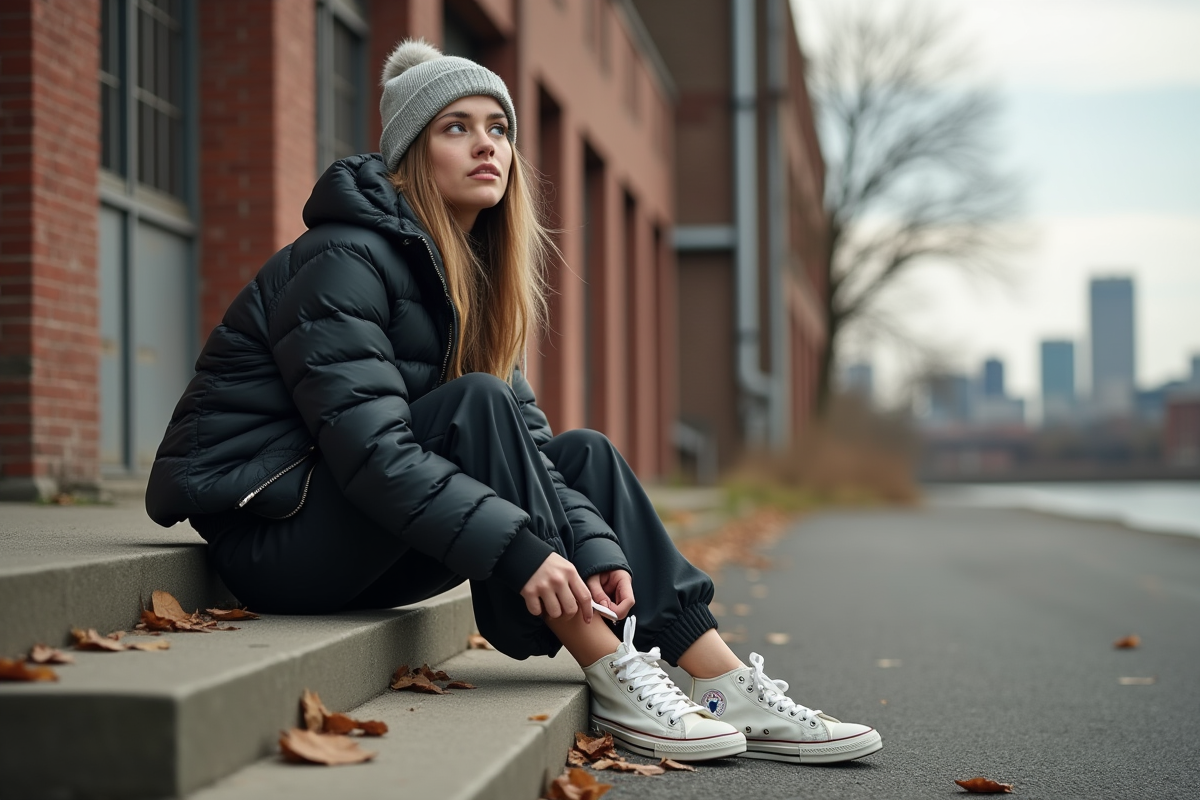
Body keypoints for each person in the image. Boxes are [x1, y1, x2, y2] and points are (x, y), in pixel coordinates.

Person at [146, 39, 881, 765]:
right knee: (478, 402)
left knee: (582, 451)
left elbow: (537, 456)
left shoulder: (473, 281)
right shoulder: (341, 259)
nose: (486, 145)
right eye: (455, 127)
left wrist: (595, 549)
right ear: (410, 155)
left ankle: (722, 681)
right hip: (278, 537)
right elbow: (372, 453)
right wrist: (530, 552)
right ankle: (612, 671)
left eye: (498, 128)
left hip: (375, 537)